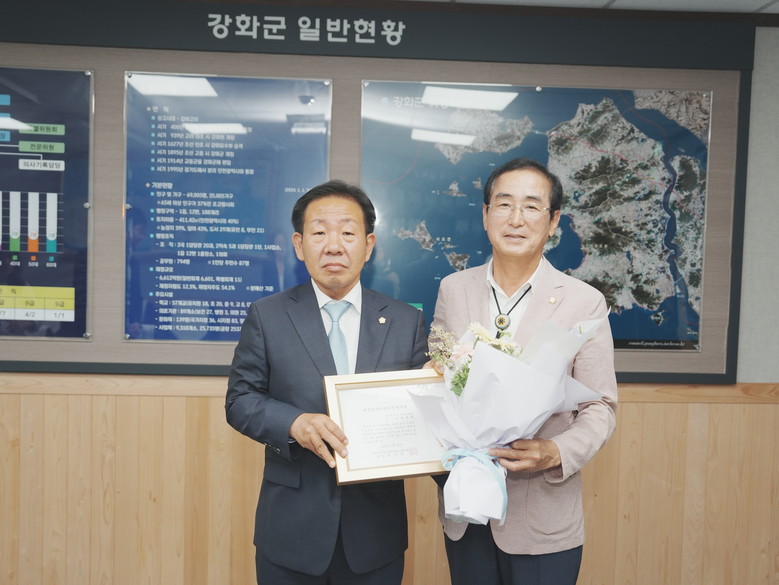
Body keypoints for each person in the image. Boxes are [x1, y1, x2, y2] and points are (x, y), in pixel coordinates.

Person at [225, 179, 428, 584]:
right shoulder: (268, 315)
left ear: (368, 245)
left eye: (348, 233)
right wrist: (293, 423)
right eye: (319, 233)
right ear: (299, 245)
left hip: (375, 535)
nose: (334, 246)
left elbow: (425, 411)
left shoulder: (406, 321)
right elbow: (240, 399)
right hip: (291, 531)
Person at [430, 158, 618, 585]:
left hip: (542, 519)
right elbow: (441, 377)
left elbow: (600, 407)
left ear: (553, 222)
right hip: (467, 511)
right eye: (504, 204)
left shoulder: (583, 301)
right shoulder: (453, 289)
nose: (516, 219)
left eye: (532, 206)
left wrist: (555, 452)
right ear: (485, 214)